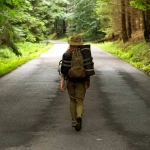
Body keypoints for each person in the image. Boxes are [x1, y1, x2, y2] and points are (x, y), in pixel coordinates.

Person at [60, 34, 90, 131]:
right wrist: (88, 80)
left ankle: (74, 121)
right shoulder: (85, 53)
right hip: (81, 80)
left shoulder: (67, 54)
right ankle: (79, 116)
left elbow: (63, 71)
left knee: (72, 100)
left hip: (70, 80)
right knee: (80, 101)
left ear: (71, 44)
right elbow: (88, 68)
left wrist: (62, 83)